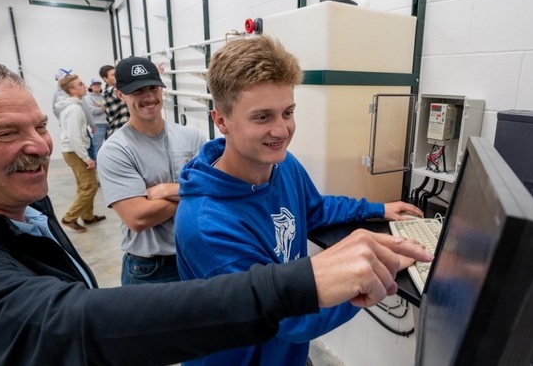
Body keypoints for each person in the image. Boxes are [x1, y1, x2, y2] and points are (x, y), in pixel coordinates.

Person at [0, 57, 432, 365]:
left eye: (41, 127)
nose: (42, 147)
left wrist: (376, 207)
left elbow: (312, 207)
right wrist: (334, 283)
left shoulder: (23, 210)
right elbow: (74, 325)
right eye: (4, 133)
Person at [174, 35, 425, 366]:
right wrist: (373, 274)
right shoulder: (208, 225)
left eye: (288, 112)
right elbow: (291, 320)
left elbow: (315, 209)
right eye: (262, 117)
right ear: (221, 120)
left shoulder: (281, 164)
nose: (282, 130)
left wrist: (378, 209)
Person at [97, 57, 206, 285]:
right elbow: (137, 217)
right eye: (137, 91)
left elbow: (212, 190)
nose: (148, 97)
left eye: (153, 88)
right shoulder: (116, 150)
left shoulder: (192, 137)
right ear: (120, 95)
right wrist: (192, 193)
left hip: (197, 258)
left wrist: (167, 190)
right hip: (152, 270)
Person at [56, 73, 105, 231]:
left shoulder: (72, 106)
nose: (85, 86)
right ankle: (69, 218)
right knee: (90, 186)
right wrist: (86, 158)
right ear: (72, 90)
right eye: (80, 84)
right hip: (75, 151)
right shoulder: (74, 109)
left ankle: (88, 217)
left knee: (84, 185)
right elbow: (74, 137)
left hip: (73, 150)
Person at [99, 64, 130, 137]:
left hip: (125, 131)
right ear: (105, 79)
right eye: (113, 75)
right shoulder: (109, 91)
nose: (117, 76)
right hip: (120, 131)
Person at [83, 78, 107, 160]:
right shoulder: (88, 98)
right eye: (95, 85)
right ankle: (96, 166)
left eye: (99, 84)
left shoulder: (104, 96)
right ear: (91, 86)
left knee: (111, 146)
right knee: (97, 147)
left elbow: (111, 107)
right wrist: (104, 107)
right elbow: (93, 111)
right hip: (98, 125)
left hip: (109, 124)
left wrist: (100, 107)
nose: (97, 86)